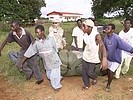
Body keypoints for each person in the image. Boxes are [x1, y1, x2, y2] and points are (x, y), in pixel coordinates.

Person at [20, 25, 62, 91]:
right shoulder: (36, 43)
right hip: (47, 62)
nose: (37, 34)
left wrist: (58, 58)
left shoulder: (51, 39)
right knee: (49, 75)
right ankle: (58, 77)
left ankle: (57, 87)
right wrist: (21, 62)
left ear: (42, 32)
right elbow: (29, 52)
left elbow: (55, 49)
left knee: (53, 76)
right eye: (36, 33)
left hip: (54, 60)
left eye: (38, 32)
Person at [0, 20, 43, 84]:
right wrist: (0, 49)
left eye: (13, 27)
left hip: (30, 49)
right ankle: (29, 73)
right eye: (11, 27)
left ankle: (40, 79)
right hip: (23, 50)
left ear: (18, 26)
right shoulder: (12, 33)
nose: (11, 28)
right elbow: (5, 41)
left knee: (33, 64)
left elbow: (33, 41)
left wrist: (35, 51)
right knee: (19, 64)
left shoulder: (26, 32)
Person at [104, 24, 133, 92]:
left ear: (113, 30)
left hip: (116, 58)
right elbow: (104, 48)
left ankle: (108, 85)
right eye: (106, 28)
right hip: (109, 57)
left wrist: (131, 50)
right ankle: (109, 79)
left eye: (109, 28)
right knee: (108, 70)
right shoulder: (105, 38)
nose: (107, 29)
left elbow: (124, 45)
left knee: (111, 71)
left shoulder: (116, 38)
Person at [81, 19, 108, 90]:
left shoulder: (96, 35)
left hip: (93, 58)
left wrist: (104, 58)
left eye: (84, 26)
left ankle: (95, 77)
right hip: (85, 56)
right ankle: (87, 85)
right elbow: (85, 44)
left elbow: (102, 46)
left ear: (90, 28)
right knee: (84, 73)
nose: (82, 28)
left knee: (90, 72)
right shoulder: (85, 34)